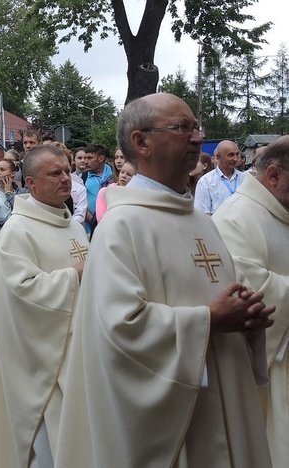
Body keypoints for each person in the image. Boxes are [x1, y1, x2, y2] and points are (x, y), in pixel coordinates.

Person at [54, 93, 274, 468]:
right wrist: (209, 320)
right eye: (182, 128)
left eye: (196, 127)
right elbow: (120, 330)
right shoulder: (120, 227)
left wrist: (247, 321)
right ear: (141, 142)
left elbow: (225, 302)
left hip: (226, 398)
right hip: (176, 424)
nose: (195, 138)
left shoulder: (204, 222)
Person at [0, 145, 88, 468]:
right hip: (45, 359)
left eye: (67, 171)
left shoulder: (73, 225)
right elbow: (23, 292)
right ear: (30, 183)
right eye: (55, 173)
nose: (65, 179)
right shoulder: (17, 231)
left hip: (82, 351)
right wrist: (76, 275)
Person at [213, 136, 289, 466]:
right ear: (274, 175)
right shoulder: (236, 216)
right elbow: (248, 289)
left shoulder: (279, 208)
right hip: (271, 364)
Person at [194, 140, 245, 215]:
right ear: (218, 157)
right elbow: (202, 214)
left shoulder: (245, 179)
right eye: (231, 155)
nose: (235, 159)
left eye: (237, 154)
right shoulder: (206, 182)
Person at [0, 159, 29, 230]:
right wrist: (10, 222)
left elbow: (21, 212)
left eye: (2, 170)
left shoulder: (22, 192)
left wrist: (9, 193)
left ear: (12, 173)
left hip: (18, 233)